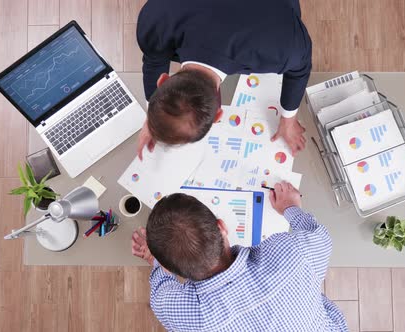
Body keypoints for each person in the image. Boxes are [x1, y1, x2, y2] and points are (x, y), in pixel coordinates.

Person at [131, 182, 348, 331]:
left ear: (173, 268)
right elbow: (318, 236)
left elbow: (161, 288)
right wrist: (290, 208)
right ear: (222, 226)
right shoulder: (293, 255)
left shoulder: (179, 312)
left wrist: (155, 260)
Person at [135, 0, 312, 160]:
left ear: (219, 114)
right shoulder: (155, 18)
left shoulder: (284, 47)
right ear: (162, 80)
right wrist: (154, 116)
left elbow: (301, 67)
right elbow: (154, 58)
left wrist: (288, 119)